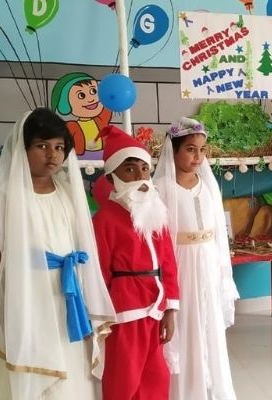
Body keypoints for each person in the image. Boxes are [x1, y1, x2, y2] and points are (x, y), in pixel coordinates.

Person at [0, 108, 115, 399]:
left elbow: (83, 247)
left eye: (59, 147)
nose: (52, 155)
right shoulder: (3, 198)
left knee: (71, 366)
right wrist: (6, 313)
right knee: (35, 369)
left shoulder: (68, 192)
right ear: (22, 149)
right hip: (29, 296)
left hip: (69, 295)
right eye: (41, 146)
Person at [153, 117, 239, 400]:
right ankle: (185, 391)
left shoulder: (208, 185)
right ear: (174, 150)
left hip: (207, 263)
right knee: (185, 325)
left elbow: (218, 233)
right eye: (190, 149)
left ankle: (210, 388)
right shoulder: (162, 188)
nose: (198, 156)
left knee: (208, 322)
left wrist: (221, 272)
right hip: (180, 265)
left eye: (202, 150)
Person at [91, 125, 179, 400]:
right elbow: (99, 271)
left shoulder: (155, 213)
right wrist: (101, 317)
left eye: (144, 169)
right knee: (124, 378)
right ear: (112, 176)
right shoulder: (105, 219)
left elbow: (168, 263)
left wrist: (170, 309)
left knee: (156, 376)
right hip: (124, 311)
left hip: (156, 307)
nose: (140, 177)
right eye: (129, 169)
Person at [50, 72, 112, 159]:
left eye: (93, 91)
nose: (91, 99)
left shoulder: (101, 119)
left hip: (104, 158)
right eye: (81, 95)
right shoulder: (72, 126)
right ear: (67, 104)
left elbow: (108, 105)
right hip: (81, 159)